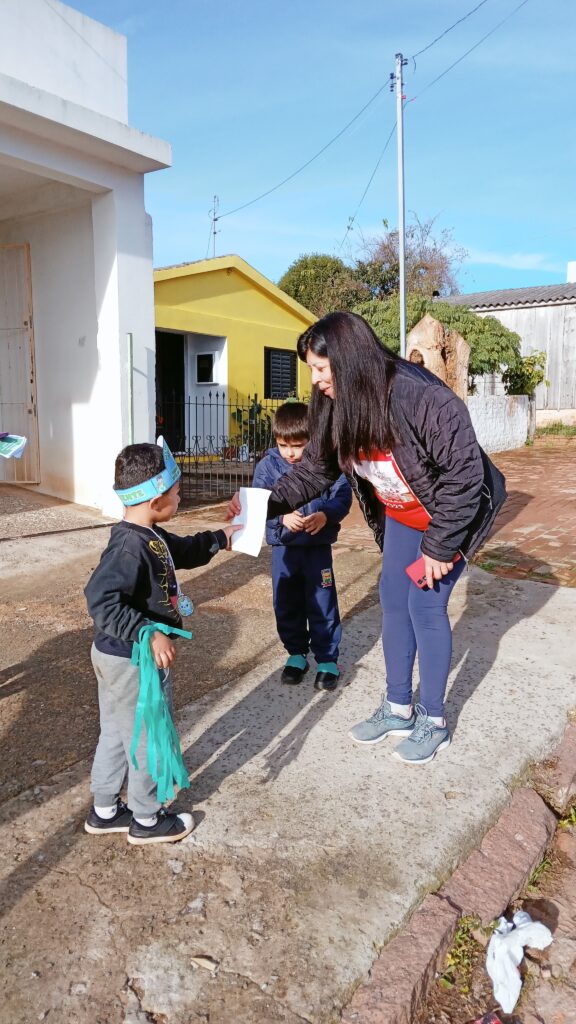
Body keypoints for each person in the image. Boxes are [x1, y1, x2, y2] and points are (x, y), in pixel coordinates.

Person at [229, 312, 506, 765]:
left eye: (321, 368)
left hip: (451, 514)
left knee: (424, 606)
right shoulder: (335, 402)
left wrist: (440, 546)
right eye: (311, 370)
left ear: (349, 359)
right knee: (393, 600)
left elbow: (464, 476)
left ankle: (434, 721)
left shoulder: (422, 398)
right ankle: (398, 707)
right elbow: (314, 471)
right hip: (402, 513)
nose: (316, 380)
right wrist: (259, 504)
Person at [84, 438, 239, 845]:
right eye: (177, 491)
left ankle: (104, 811)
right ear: (156, 499)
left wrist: (223, 537)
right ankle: (147, 819)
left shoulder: (146, 533)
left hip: (115, 657)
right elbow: (100, 599)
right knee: (148, 737)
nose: (180, 497)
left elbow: (182, 551)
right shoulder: (129, 547)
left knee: (116, 733)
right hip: (134, 661)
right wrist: (148, 632)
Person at [252, 401, 352, 690]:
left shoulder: (326, 464)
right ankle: (296, 653)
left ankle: (327, 659)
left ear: (313, 439)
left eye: (298, 445)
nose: (291, 453)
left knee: (322, 602)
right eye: (284, 445)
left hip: (317, 549)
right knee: (286, 602)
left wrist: (325, 515)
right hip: (284, 549)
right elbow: (258, 502)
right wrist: (280, 518)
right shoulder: (268, 466)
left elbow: (342, 496)